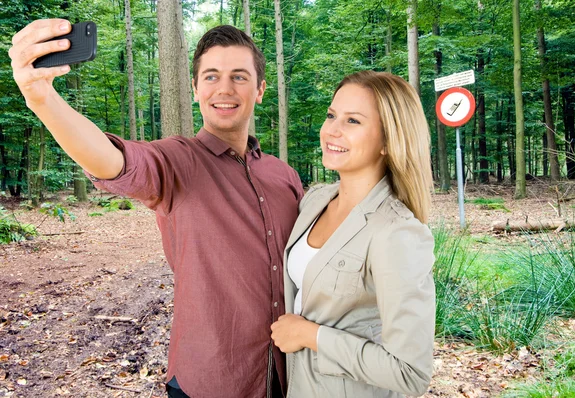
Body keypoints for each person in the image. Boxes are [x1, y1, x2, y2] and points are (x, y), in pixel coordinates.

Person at [9, 20, 303, 398]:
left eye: (239, 77)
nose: (225, 89)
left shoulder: (285, 176)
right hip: (210, 379)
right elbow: (113, 161)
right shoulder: (176, 162)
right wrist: (41, 99)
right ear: (195, 88)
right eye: (211, 76)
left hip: (291, 375)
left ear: (260, 90)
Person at [270, 70, 436, 397]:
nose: (332, 129)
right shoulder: (315, 201)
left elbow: (411, 373)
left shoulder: (397, 232)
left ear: (389, 140)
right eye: (332, 115)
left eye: (353, 121)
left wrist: (310, 336)